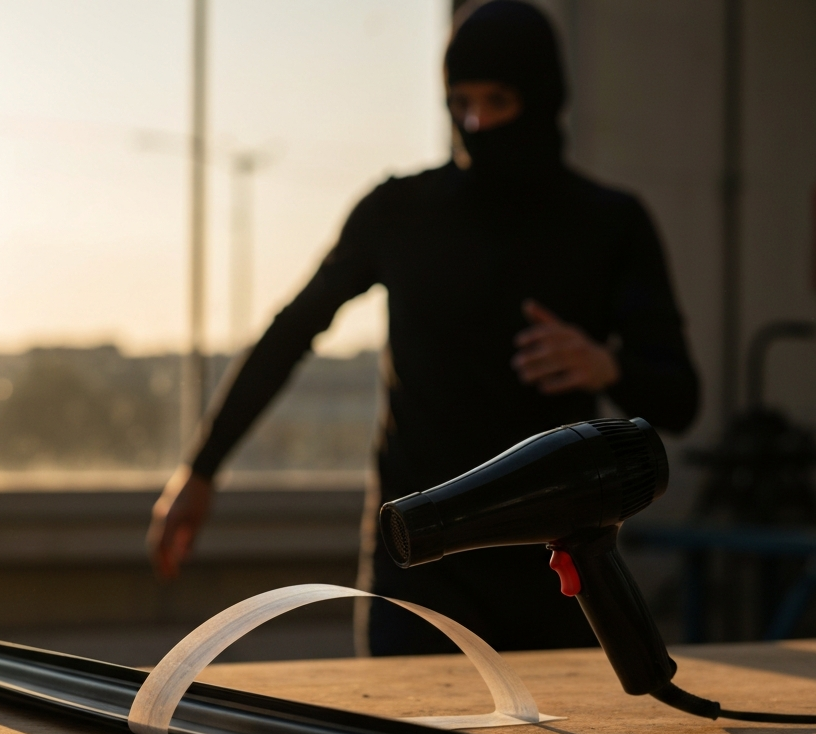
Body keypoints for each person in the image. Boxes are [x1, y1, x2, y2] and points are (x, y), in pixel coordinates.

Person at [147, 0, 698, 656]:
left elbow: (680, 399)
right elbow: (293, 331)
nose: (477, 123)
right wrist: (201, 468)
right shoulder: (400, 213)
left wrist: (609, 367)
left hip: (556, 572)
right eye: (459, 102)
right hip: (418, 563)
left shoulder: (610, 224)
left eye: (498, 100)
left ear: (544, 99)